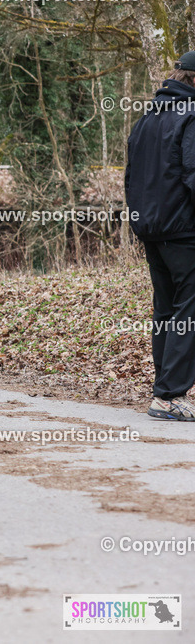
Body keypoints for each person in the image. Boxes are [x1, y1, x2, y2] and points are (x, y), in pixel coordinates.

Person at [125, 51, 195, 421]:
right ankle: (169, 396)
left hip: (152, 230)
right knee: (189, 311)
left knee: (167, 310)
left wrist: (139, 223)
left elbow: (130, 176)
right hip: (184, 231)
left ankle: (164, 391)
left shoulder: (147, 118)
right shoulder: (191, 116)